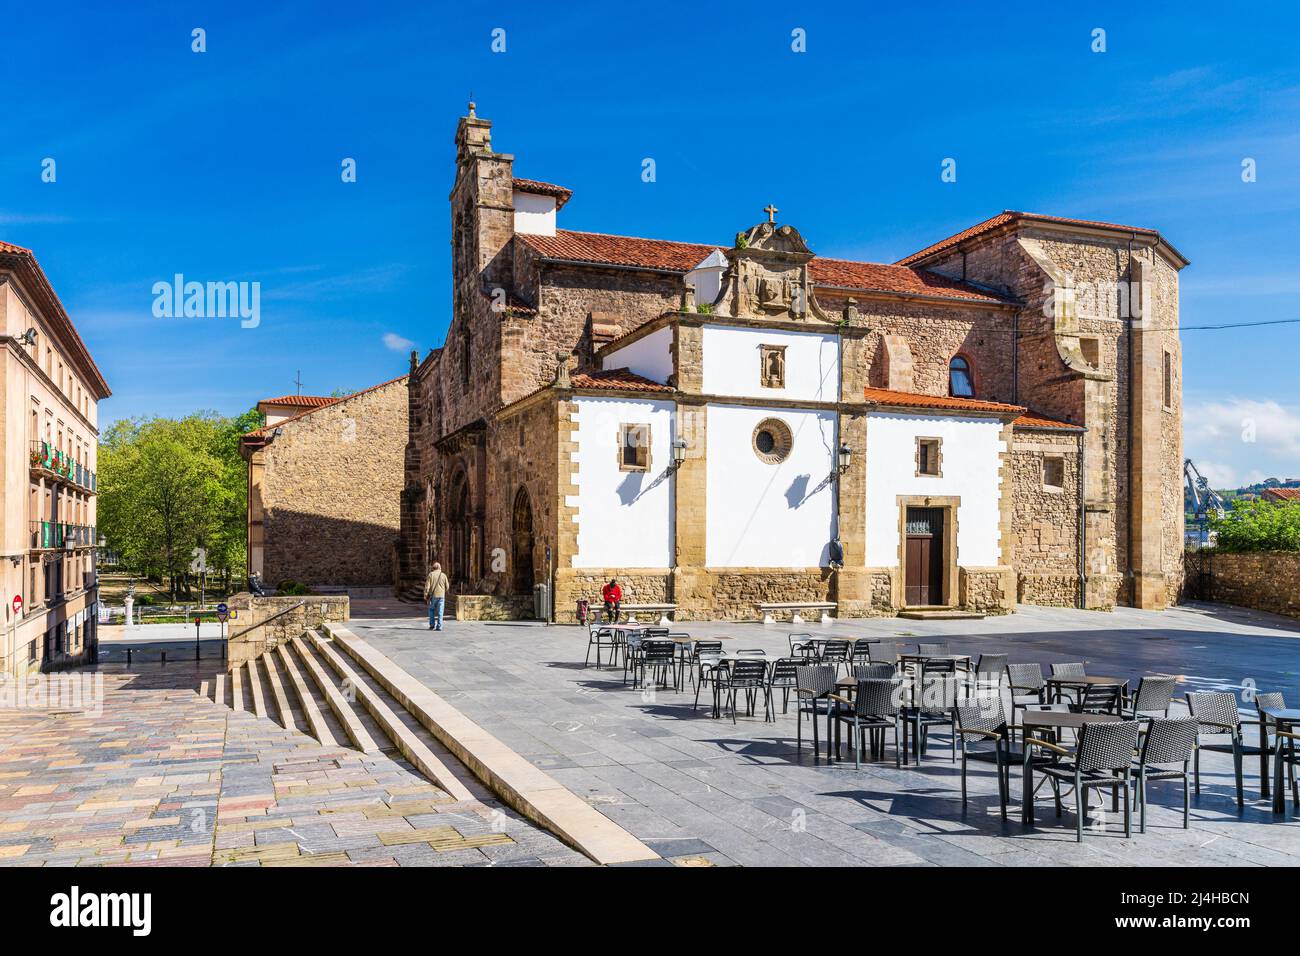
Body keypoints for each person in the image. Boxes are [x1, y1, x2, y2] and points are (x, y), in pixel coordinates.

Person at [424, 562, 449, 631]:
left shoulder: (430, 575)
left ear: (433, 568)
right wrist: (443, 591)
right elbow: (447, 586)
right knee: (440, 612)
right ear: (439, 568)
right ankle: (439, 626)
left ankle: (432, 625)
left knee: (431, 610)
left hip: (433, 596)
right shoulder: (443, 575)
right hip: (441, 596)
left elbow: (427, 587)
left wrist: (425, 596)